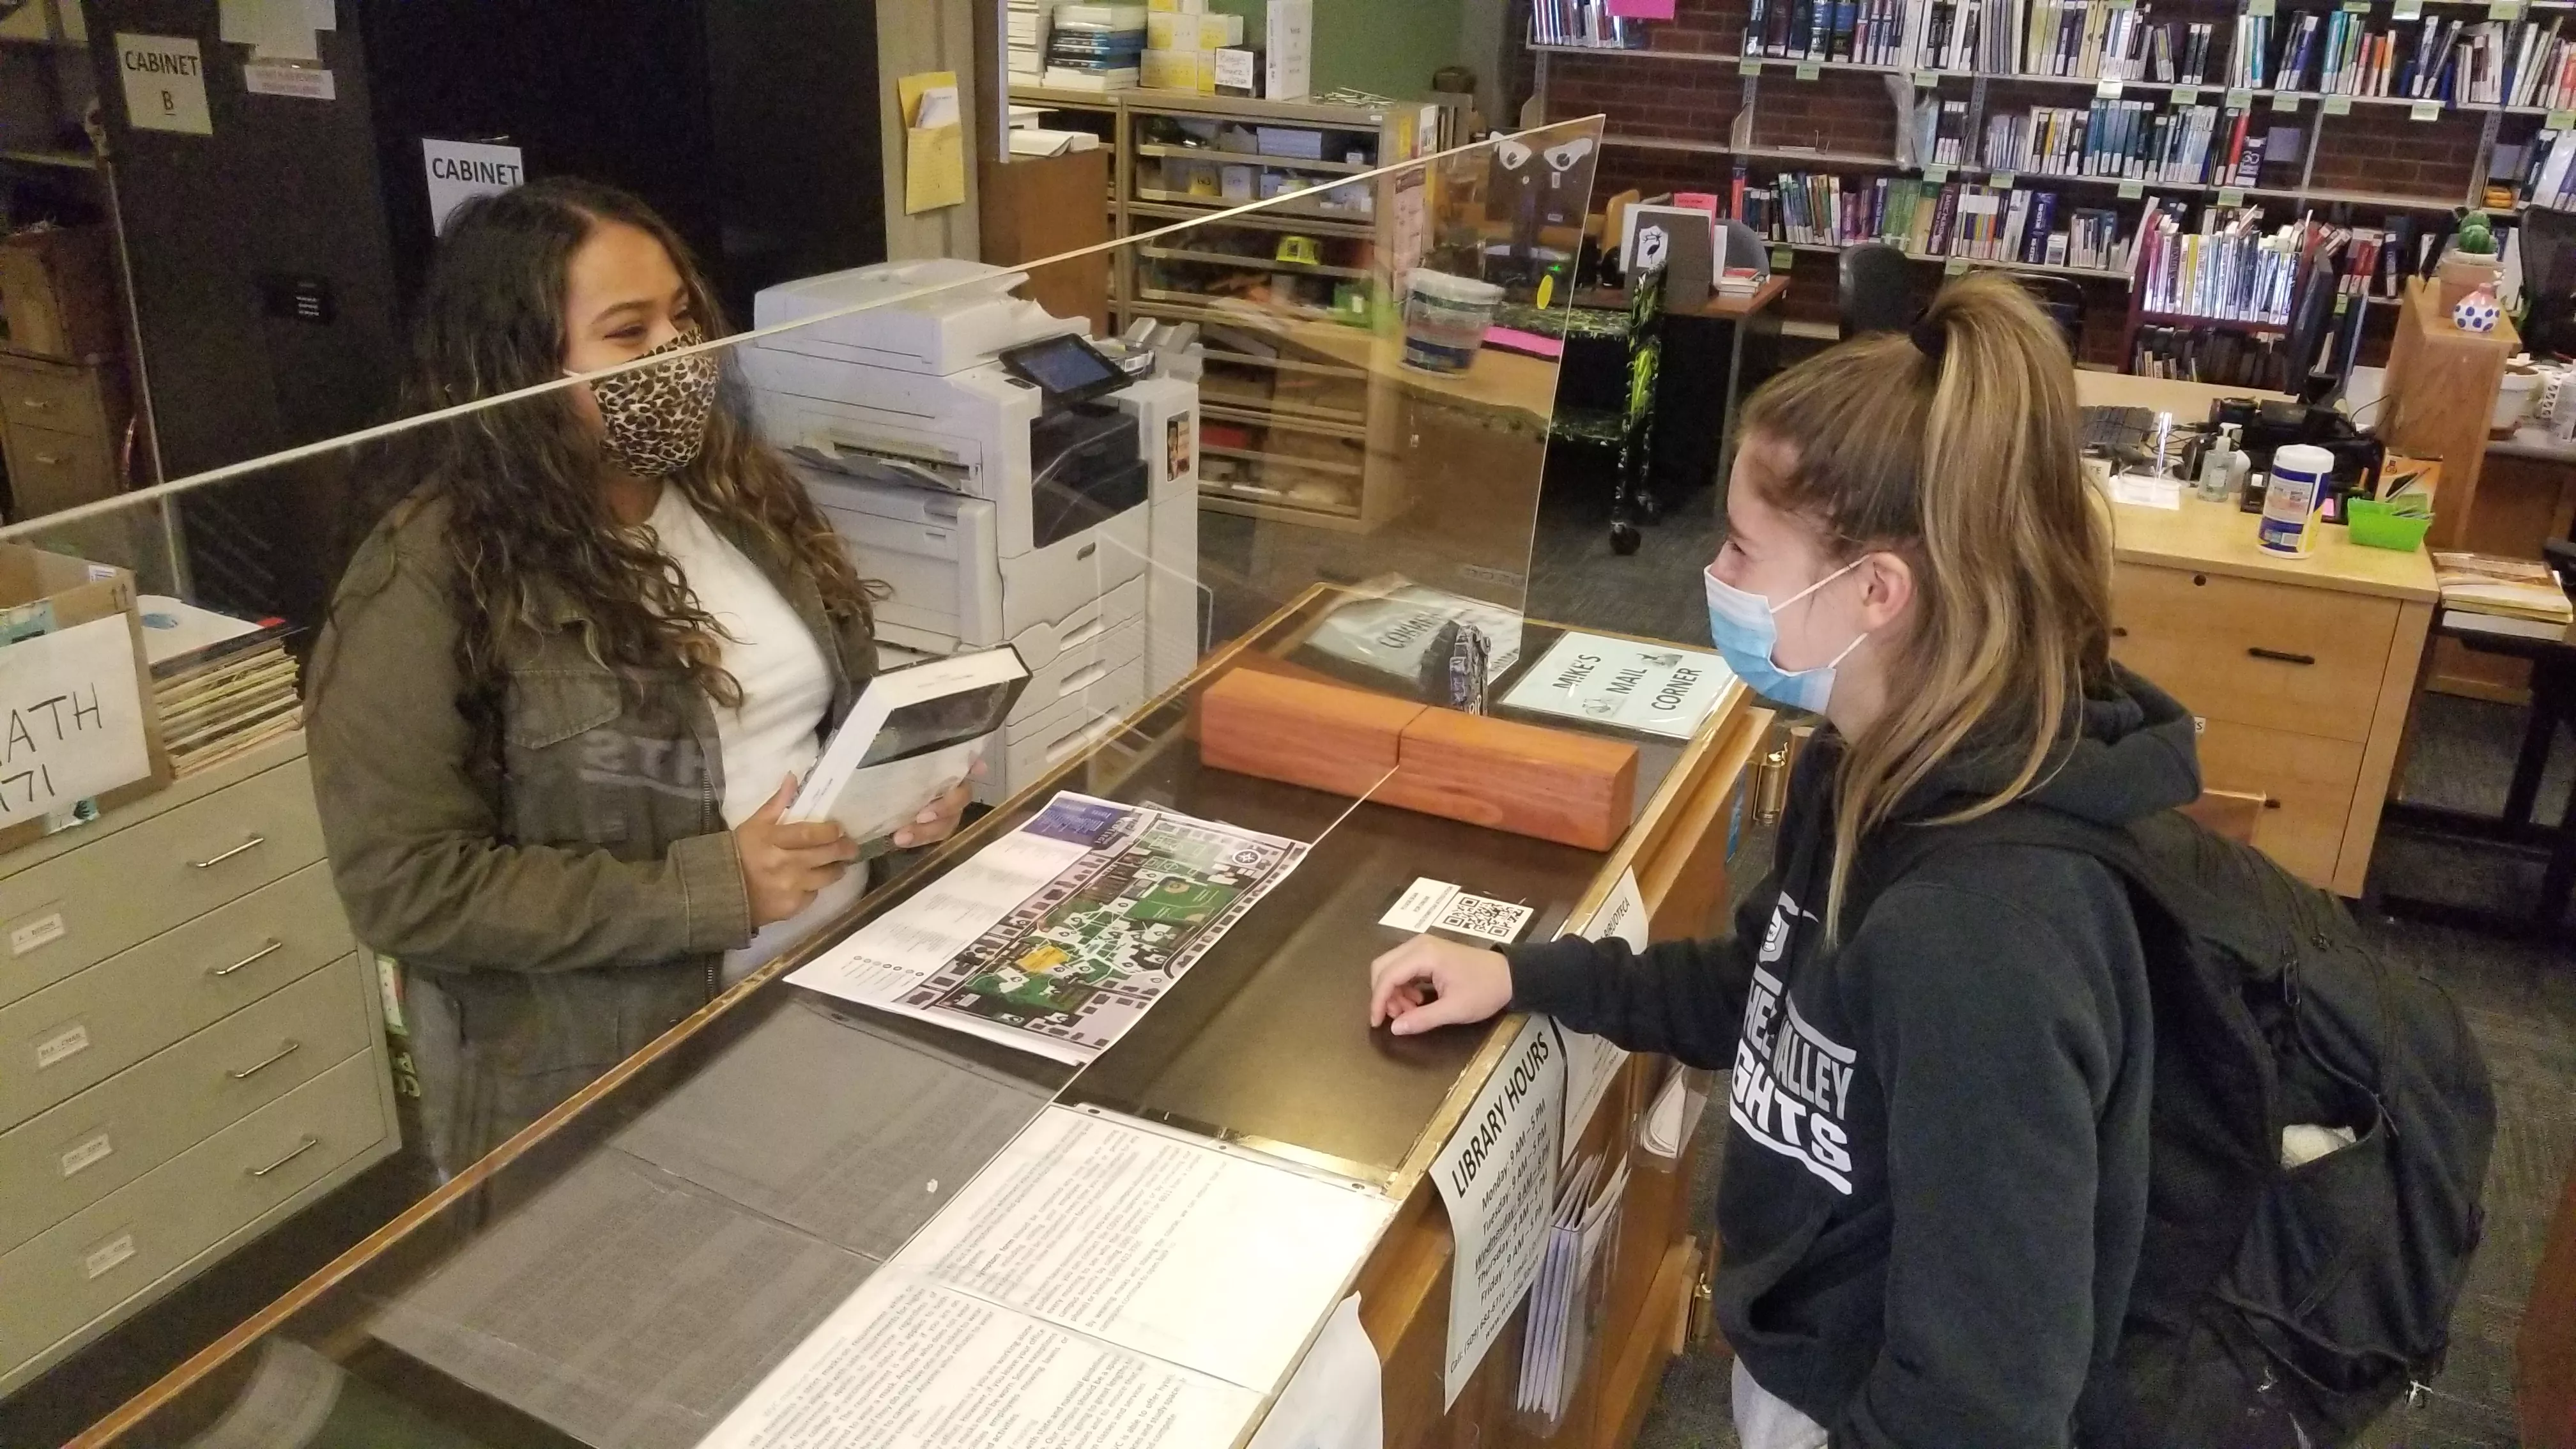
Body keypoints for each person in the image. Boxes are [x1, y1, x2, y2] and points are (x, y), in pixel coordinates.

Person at [1367, 275, 2200, 1448]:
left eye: (1744, 549)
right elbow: (1760, 995)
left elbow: (1989, 1395)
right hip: (1807, 1367)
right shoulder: (1862, 768)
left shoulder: (1987, 938)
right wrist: (1527, 975)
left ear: (1874, 592)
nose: (1713, 576)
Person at [310, 179, 970, 1176]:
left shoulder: (735, 492)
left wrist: (898, 794)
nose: (678, 353)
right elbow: (405, 890)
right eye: (629, 331)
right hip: (613, 1084)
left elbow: (809, 731)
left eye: (684, 315)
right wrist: (713, 889)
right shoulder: (428, 576)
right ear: (515, 369)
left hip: (820, 1006)